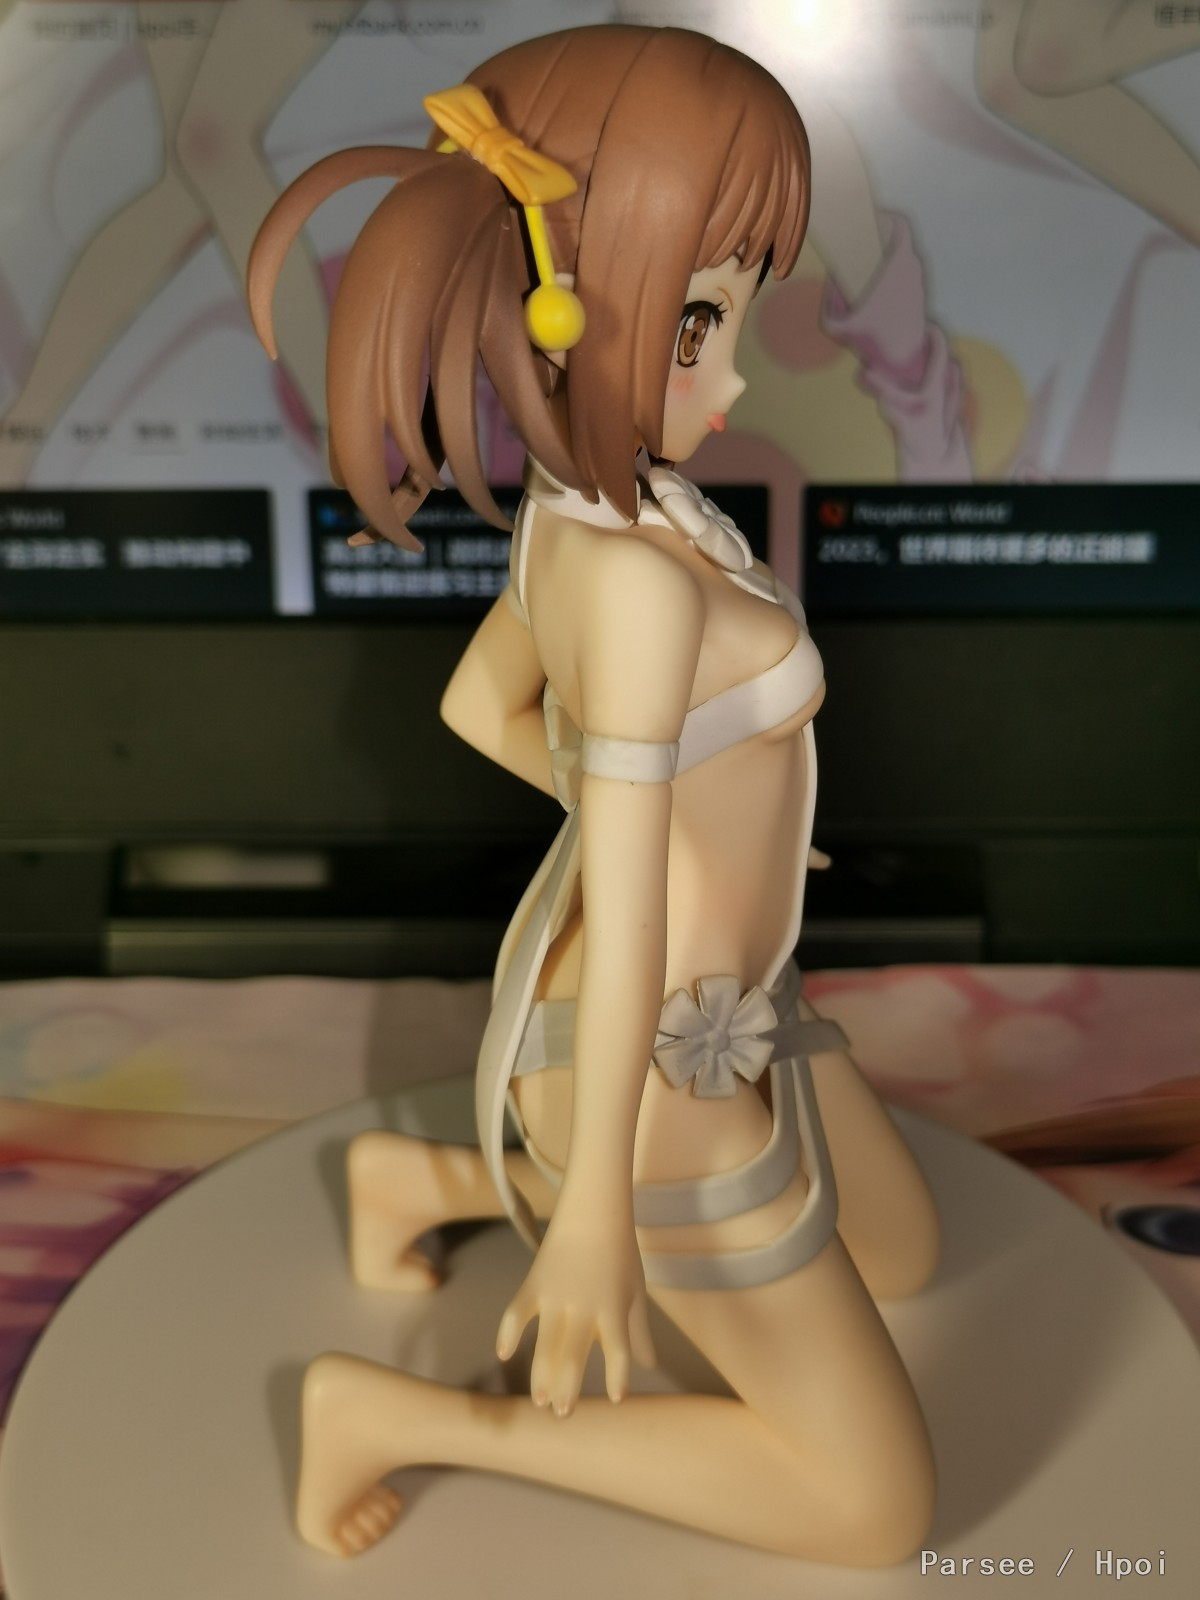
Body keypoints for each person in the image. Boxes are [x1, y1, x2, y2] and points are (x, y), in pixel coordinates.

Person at [248, 24, 939, 1565]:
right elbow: (622, 934)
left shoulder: (599, 504)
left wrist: (709, 827)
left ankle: (417, 1182)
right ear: (564, 306)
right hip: (659, 1068)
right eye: (696, 323)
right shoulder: (628, 586)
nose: (737, 372)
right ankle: (390, 1415)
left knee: (904, 1251)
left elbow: (476, 705)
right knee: (878, 1507)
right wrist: (592, 1227)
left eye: (734, 312)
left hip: (740, 993)